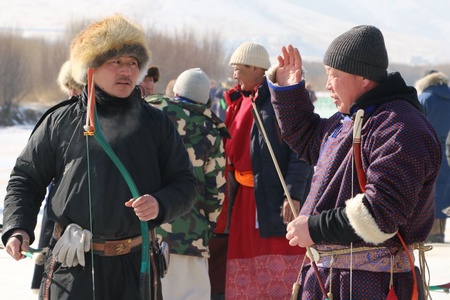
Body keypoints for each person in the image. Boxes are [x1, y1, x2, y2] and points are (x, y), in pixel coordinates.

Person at [1, 14, 197, 300]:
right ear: (90, 69)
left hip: (135, 266)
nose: (126, 71)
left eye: (132, 63)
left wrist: (160, 204)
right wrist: (17, 227)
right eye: (115, 62)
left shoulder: (157, 124)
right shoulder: (61, 121)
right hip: (72, 265)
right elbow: (26, 178)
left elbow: (186, 184)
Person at [268, 25, 441, 299]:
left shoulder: (401, 127)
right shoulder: (355, 119)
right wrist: (290, 91)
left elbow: (380, 215)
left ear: (363, 78)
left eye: (333, 75)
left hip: (372, 287)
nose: (327, 85)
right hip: (334, 281)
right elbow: (309, 139)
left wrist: (313, 227)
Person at [220, 41, 314, 299]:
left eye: (238, 69)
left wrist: (292, 193)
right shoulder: (238, 102)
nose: (234, 75)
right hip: (245, 201)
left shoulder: (277, 104)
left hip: (274, 200)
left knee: (280, 273)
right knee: (245, 269)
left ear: (255, 69)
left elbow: (300, 151)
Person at [147, 67, 229, 300]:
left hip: (146, 228)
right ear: (205, 98)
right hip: (190, 236)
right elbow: (216, 192)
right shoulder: (211, 133)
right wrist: (206, 226)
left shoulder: (150, 115)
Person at [30, 59, 84, 294]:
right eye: (69, 87)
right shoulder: (59, 117)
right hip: (57, 196)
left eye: (76, 86)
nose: (72, 92)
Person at [415, 70, 450, 243]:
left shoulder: (424, 99)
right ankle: (441, 232)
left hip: (427, 149)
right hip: (446, 149)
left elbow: (416, 126)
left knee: (429, 188)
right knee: (444, 189)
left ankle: (432, 232)